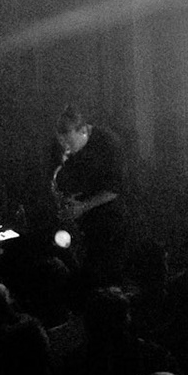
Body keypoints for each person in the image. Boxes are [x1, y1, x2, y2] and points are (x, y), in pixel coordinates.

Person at [50, 105, 129, 288]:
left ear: (84, 131)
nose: (66, 148)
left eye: (69, 143)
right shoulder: (67, 145)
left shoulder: (108, 144)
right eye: (62, 143)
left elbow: (116, 188)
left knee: (105, 276)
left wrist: (82, 207)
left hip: (110, 220)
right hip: (84, 220)